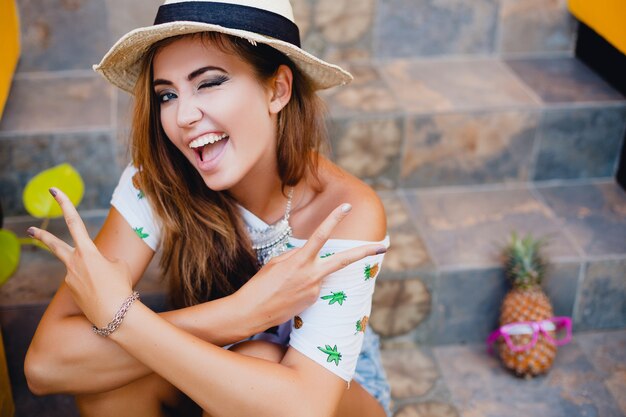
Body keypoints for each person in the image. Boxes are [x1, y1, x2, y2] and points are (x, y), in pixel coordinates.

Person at [24, 1, 392, 416]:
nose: (183, 115)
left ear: (278, 90)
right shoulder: (158, 180)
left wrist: (127, 322)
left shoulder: (346, 209)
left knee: (257, 358)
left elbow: (304, 408)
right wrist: (236, 315)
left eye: (209, 83)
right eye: (167, 94)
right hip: (217, 360)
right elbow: (45, 365)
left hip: (335, 392)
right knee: (106, 386)